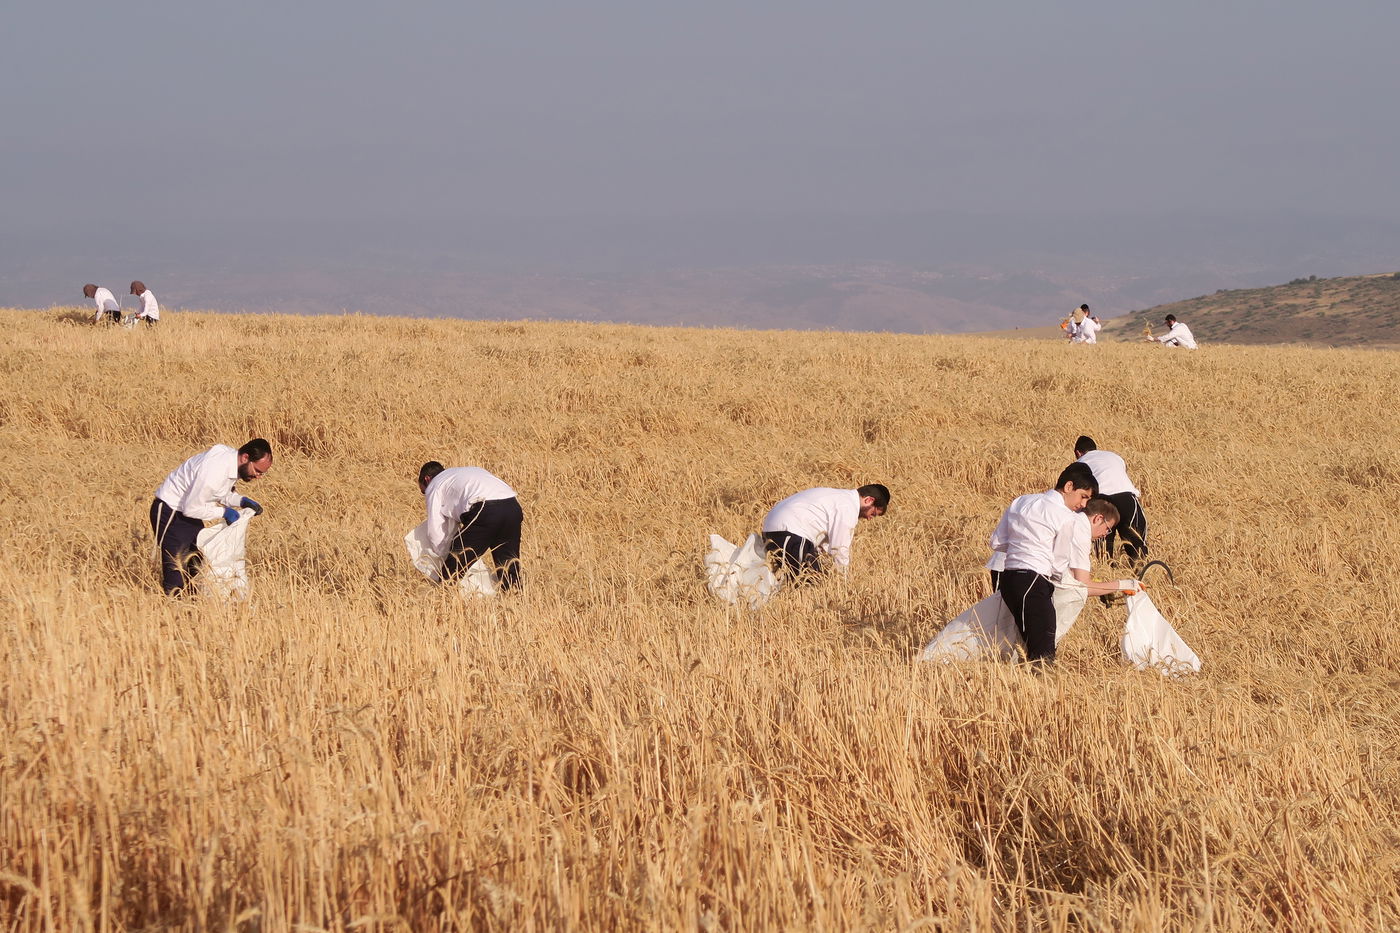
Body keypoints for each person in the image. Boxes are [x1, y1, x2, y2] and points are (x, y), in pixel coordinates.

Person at [988, 463, 1130, 666]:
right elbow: (1058, 563)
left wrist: (1023, 548)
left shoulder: (1021, 502)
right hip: (1034, 580)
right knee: (1043, 650)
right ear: (1069, 486)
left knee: (1016, 637)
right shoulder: (1066, 517)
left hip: (1007, 577)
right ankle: (1037, 691)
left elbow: (996, 542)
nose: (1083, 504)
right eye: (1083, 496)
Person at [151, 439, 271, 595]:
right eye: (257, 470)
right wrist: (223, 512)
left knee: (198, 567)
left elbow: (220, 493)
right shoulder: (215, 470)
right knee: (176, 573)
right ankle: (172, 612)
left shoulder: (232, 462)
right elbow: (191, 508)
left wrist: (240, 501)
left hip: (186, 513)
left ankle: (194, 612)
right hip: (170, 511)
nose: (259, 476)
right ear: (245, 457)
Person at [418, 461, 524, 590]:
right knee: (508, 563)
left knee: (456, 559)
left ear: (427, 479)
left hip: (486, 509)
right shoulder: (463, 473)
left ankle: (444, 597)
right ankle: (515, 598)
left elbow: (436, 529)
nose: (425, 494)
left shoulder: (434, 484)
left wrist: (441, 555)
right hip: (513, 507)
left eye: (423, 492)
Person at [760, 484, 889, 581]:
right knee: (810, 584)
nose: (869, 518)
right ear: (868, 500)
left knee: (792, 581)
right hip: (791, 532)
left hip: (773, 531)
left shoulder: (839, 497)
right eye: (873, 513)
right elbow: (839, 549)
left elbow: (826, 542)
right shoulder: (848, 507)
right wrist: (843, 582)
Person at [1074, 435, 1147, 562]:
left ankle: (1106, 574)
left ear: (1078, 453)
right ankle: (1140, 576)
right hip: (1126, 498)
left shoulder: (1079, 463)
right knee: (1137, 547)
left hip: (1100, 501)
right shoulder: (1114, 456)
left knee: (1103, 552)